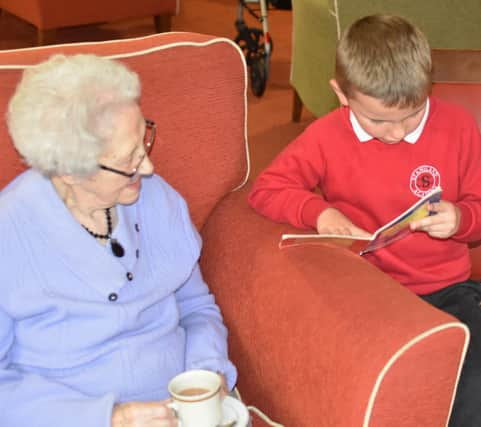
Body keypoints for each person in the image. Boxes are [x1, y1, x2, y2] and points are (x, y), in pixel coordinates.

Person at [248, 14, 481, 427]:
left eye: (412, 114)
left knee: (471, 384)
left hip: (447, 290)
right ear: (341, 93)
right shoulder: (325, 137)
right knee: (346, 375)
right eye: (378, 121)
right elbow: (266, 189)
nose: (396, 133)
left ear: (428, 89)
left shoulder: (459, 127)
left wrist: (462, 218)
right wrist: (320, 212)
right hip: (365, 289)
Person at [0, 54, 237, 427]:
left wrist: (208, 372)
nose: (147, 167)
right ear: (69, 170)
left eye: (144, 140)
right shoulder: (9, 234)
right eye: (128, 159)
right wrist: (106, 419)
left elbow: (195, 306)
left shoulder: (156, 197)